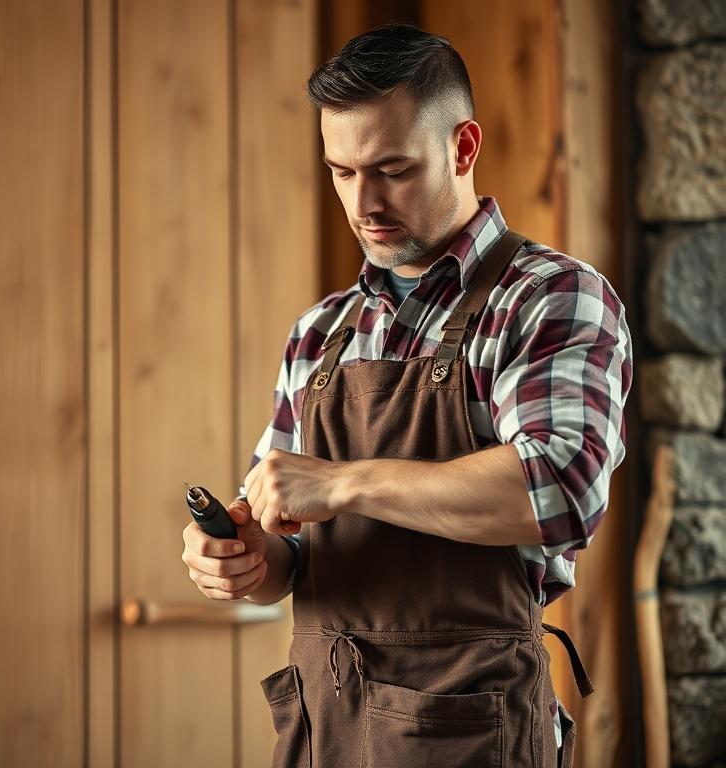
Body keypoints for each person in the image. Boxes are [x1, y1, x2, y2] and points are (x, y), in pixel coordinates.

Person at [180, 23, 633, 768]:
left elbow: (557, 489)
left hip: (470, 734)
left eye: (392, 169)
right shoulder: (321, 332)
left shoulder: (550, 297)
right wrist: (249, 560)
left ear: (462, 148)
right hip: (324, 730)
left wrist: (345, 481)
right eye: (342, 172)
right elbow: (295, 539)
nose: (364, 203)